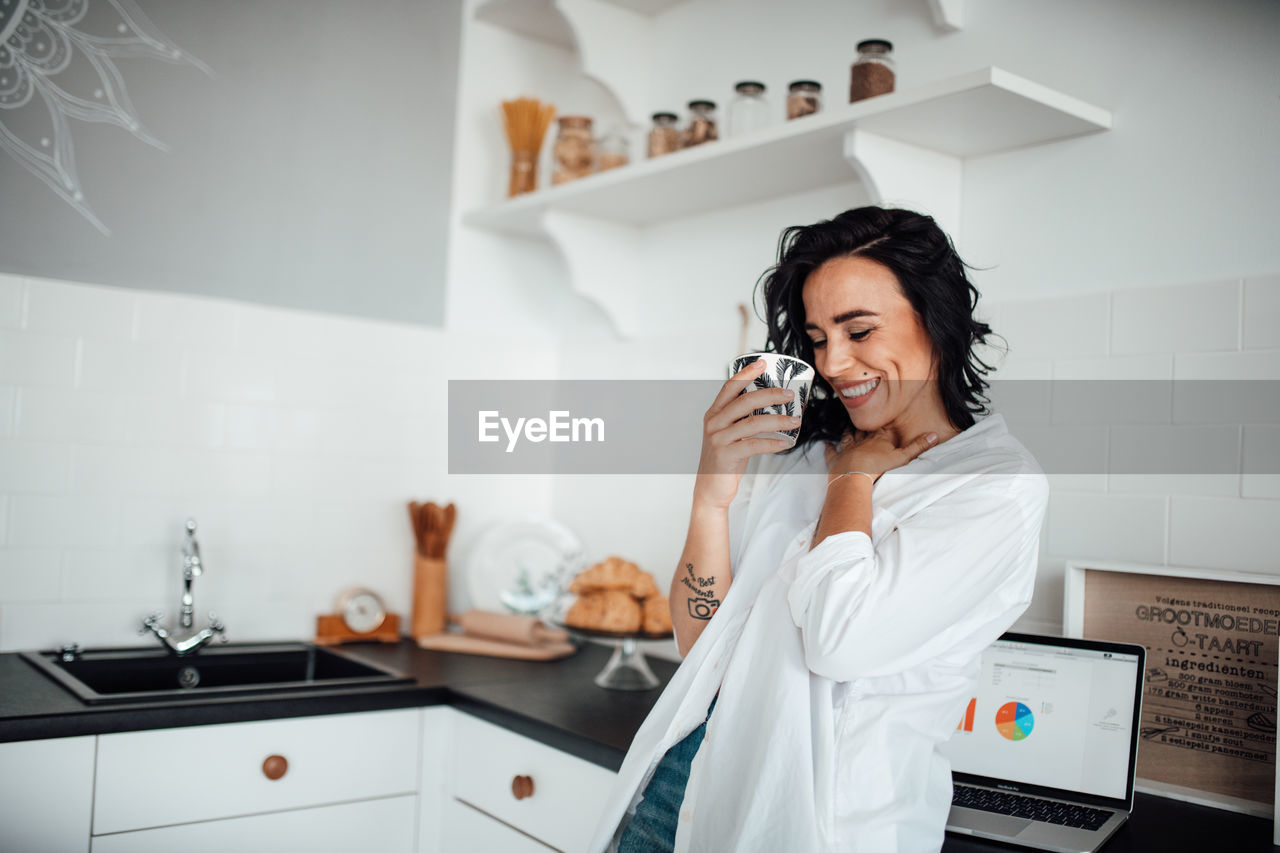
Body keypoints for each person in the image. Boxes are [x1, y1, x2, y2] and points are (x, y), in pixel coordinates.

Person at [587, 206, 1050, 853]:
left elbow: (839, 640)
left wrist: (853, 480)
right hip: (678, 795)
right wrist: (711, 496)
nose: (833, 363)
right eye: (818, 336)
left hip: (816, 827)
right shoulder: (804, 456)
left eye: (859, 330)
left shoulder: (995, 487)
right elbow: (701, 644)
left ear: (936, 320)